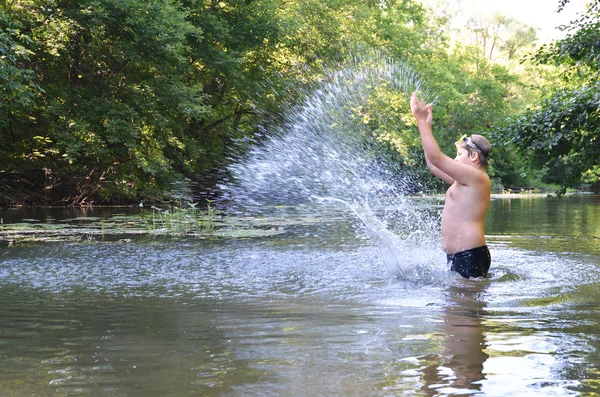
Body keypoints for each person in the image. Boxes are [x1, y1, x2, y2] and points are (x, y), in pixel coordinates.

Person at [410, 92, 493, 278]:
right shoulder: (464, 181)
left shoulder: (478, 178)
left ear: (474, 156)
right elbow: (432, 164)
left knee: (464, 308)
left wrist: (421, 121)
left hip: (469, 255)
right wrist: (423, 125)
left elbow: (436, 158)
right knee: (457, 307)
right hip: (460, 256)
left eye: (459, 154)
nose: (455, 158)